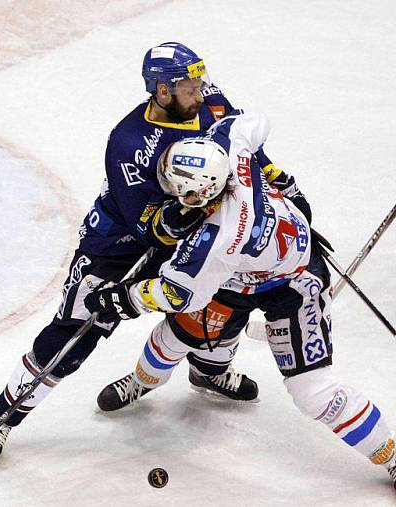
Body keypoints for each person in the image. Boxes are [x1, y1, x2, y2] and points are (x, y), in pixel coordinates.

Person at [0, 42, 295, 465]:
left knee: (230, 294)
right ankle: (3, 417)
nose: (201, 94)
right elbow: (150, 228)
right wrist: (189, 206)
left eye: (200, 82)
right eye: (190, 87)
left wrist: (276, 181)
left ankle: (208, 372)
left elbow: (244, 151)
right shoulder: (129, 143)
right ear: (162, 90)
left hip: (193, 234)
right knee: (78, 330)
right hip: (119, 246)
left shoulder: (208, 102)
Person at [84, 110, 396, 490]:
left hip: (291, 286)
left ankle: (392, 455)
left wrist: (122, 298)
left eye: (171, 184)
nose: (163, 186)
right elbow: (255, 121)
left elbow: (175, 293)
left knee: (313, 393)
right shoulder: (228, 144)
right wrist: (281, 180)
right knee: (177, 338)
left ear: (197, 195)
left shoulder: (214, 243)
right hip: (258, 267)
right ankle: (147, 380)